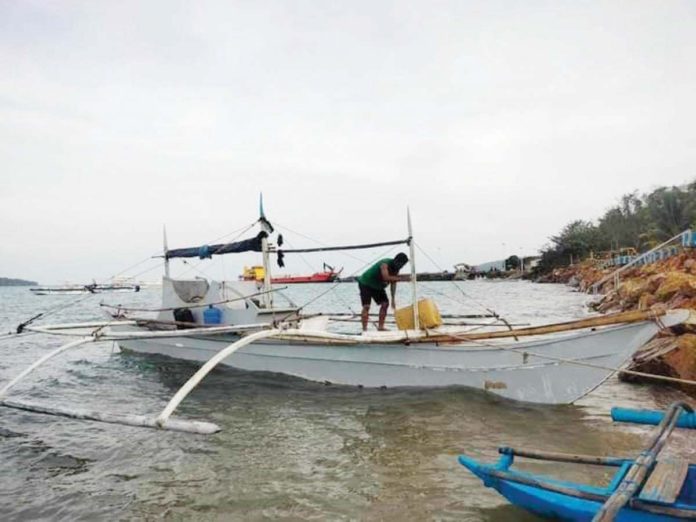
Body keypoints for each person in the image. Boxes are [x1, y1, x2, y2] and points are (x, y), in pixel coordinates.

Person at [357, 253, 409, 331]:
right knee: (366, 306)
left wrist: (393, 299)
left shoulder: (396, 270)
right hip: (366, 283)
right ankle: (364, 329)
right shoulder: (385, 264)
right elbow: (386, 277)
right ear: (396, 261)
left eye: (402, 266)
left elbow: (393, 283)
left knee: (385, 304)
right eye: (400, 265)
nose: (400, 267)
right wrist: (401, 279)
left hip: (377, 286)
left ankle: (380, 327)